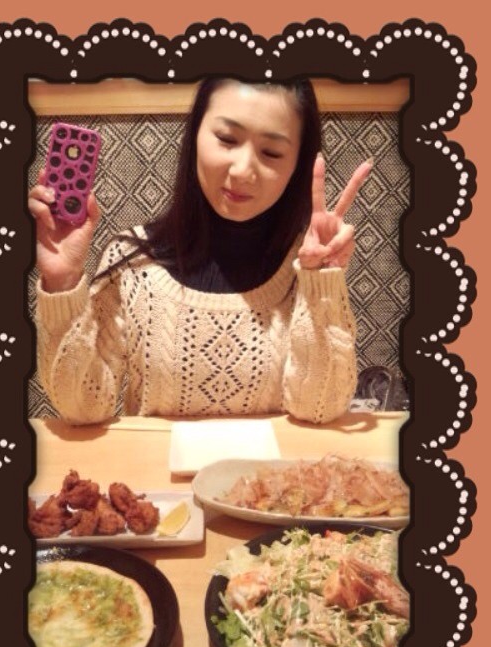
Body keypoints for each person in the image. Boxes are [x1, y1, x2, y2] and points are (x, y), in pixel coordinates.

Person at [29, 78, 372, 425]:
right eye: (227, 139)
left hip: (271, 463)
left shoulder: (305, 267)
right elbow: (82, 407)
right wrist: (62, 279)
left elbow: (319, 409)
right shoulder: (132, 263)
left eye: (271, 152)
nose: (242, 170)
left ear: (298, 164)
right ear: (195, 135)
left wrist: (321, 282)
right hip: (154, 462)